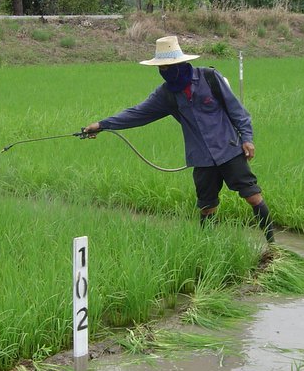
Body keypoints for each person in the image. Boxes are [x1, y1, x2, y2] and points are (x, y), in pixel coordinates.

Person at [83, 35, 275, 243]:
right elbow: (138, 113)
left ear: (181, 63)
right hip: (201, 158)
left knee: (252, 196)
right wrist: (102, 125)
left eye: (169, 66)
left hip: (229, 149)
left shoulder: (209, 78)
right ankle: (207, 248)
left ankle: (273, 247)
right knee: (207, 207)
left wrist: (247, 138)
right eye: (162, 67)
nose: (166, 71)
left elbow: (237, 111)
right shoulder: (166, 94)